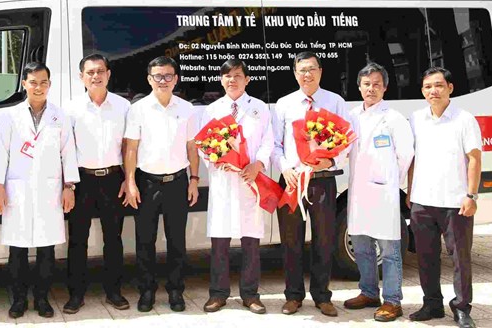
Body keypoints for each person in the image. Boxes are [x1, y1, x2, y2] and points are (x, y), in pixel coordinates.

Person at [0, 62, 79, 319]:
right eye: (33, 82)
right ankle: (18, 300)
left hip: (50, 189)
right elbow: (1, 152)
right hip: (16, 189)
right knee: (17, 250)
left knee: (46, 249)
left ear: (49, 85)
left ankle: (42, 299)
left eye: (43, 82)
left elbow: (68, 153)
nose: (38, 87)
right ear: (24, 84)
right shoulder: (9, 116)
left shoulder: (59, 116)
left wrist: (69, 186)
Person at [272, 51, 351, 317]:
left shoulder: (335, 101)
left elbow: (347, 139)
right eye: (302, 69)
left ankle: (322, 296)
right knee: (291, 240)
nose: (307, 74)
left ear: (320, 71)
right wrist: (285, 168)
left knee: (324, 239)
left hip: (322, 181)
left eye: (312, 69)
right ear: (295, 73)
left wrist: (330, 162)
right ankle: (293, 296)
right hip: (293, 181)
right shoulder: (283, 104)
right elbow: (275, 144)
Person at [122, 56, 200, 313]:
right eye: (158, 76)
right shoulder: (138, 109)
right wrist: (130, 182)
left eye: (168, 76)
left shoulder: (187, 109)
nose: (163, 81)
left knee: (177, 241)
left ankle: (176, 292)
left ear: (175, 79)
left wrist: (194, 180)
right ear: (149, 79)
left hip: (178, 182)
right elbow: (131, 148)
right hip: (147, 183)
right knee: (145, 241)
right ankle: (146, 291)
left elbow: (192, 147)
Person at [407, 67, 482, 328]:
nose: (433, 91)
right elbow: (412, 158)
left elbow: (474, 159)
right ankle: (432, 304)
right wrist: (410, 192)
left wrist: (471, 195)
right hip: (422, 201)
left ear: (450, 88)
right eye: (428, 87)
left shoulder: (464, 119)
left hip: (455, 203)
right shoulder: (416, 119)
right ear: (422, 91)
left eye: (438, 85)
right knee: (426, 256)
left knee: (460, 257)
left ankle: (462, 308)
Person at [201, 59, 273, 315]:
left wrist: (259, 164)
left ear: (247, 79)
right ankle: (218, 294)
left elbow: (268, 141)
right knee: (220, 239)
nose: (232, 80)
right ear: (221, 80)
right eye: (227, 76)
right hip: (223, 180)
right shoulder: (211, 109)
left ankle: (250, 294)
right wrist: (214, 158)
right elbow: (203, 144)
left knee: (250, 239)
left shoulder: (259, 108)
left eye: (237, 75)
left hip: (249, 180)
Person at [344, 62, 414, 322]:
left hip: (383, 193)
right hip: (359, 192)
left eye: (376, 84)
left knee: (389, 250)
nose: (371, 88)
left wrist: (387, 178)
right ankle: (369, 292)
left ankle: (393, 301)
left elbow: (405, 154)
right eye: (366, 84)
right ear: (359, 87)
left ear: (385, 87)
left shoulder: (394, 118)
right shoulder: (351, 116)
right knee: (361, 246)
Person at [63, 54, 131, 313]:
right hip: (82, 181)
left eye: (100, 71)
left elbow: (129, 147)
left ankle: (114, 292)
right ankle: (75, 294)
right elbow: (66, 150)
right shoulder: (70, 109)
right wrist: (68, 185)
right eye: (89, 72)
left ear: (109, 74)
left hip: (113, 179)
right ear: (81, 77)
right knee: (77, 240)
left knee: (113, 239)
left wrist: (128, 178)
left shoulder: (123, 106)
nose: (95, 76)